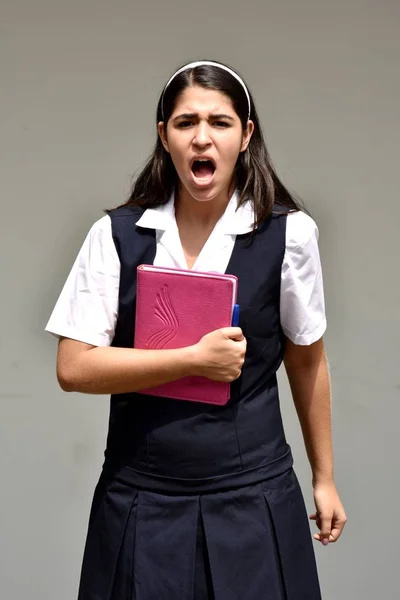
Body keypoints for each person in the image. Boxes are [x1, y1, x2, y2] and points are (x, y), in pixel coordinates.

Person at [46, 60, 346, 599]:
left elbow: (307, 359)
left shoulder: (289, 235)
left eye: (220, 122)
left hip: (254, 495)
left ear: (246, 134)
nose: (202, 137)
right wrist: (191, 360)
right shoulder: (116, 235)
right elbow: (74, 367)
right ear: (164, 136)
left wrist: (324, 477)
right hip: (140, 497)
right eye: (185, 123)